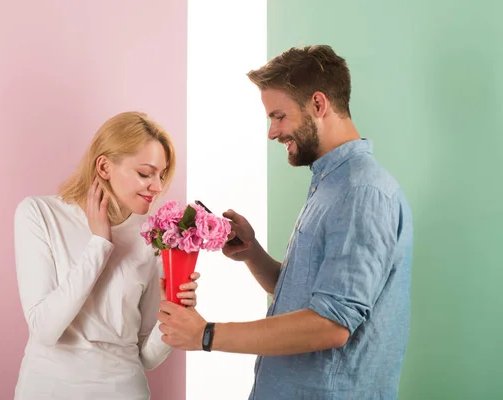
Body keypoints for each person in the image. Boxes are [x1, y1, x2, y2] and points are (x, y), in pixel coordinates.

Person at [157, 45, 414, 399]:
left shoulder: (361, 192)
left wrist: (206, 334)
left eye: (279, 116)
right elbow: (310, 298)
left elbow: (331, 324)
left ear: (318, 105)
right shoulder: (331, 183)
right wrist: (252, 254)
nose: (272, 132)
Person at [13, 111, 200, 400]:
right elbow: (45, 330)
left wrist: (175, 309)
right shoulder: (39, 215)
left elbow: (146, 356)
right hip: (47, 389)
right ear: (104, 167)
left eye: (161, 175)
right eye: (145, 173)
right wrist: (99, 243)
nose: (158, 187)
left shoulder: (153, 236)